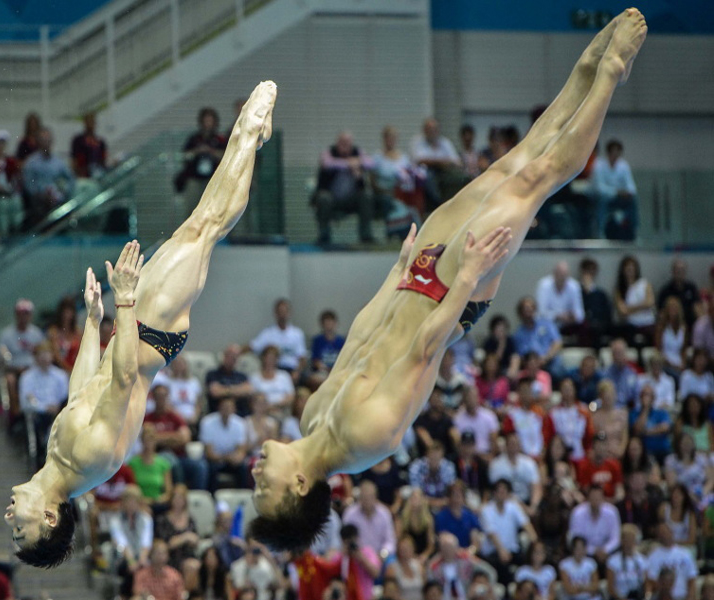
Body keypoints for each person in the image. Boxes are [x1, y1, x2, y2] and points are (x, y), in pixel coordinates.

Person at [248, 13, 647, 551]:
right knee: (536, 179)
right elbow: (423, 352)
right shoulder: (366, 441)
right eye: (264, 490)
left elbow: (362, 337)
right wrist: (469, 278)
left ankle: (585, 67)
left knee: (511, 165)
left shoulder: (312, 415)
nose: (255, 475)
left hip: (415, 282)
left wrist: (397, 272)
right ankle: (610, 74)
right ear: (299, 485)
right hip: (452, 295)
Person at [311, 131, 377, 245]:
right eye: (343, 143)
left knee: (366, 195)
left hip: (351, 200)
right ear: (338, 143)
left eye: (348, 143)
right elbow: (327, 163)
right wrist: (349, 163)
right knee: (323, 198)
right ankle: (324, 235)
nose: (345, 146)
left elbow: (371, 163)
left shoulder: (357, 152)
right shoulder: (329, 152)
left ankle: (366, 235)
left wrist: (358, 162)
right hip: (332, 198)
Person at [0, 298, 46, 420]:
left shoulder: (36, 333)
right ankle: (16, 412)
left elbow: (43, 352)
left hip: (32, 369)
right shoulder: (6, 334)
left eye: (26, 314)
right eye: (20, 314)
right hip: (13, 369)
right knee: (10, 380)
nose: (23, 317)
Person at [479, 479, 536, 585]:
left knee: (528, 559)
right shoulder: (486, 510)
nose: (502, 494)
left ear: (508, 493)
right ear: (494, 493)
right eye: (499, 491)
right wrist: (501, 550)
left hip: (512, 551)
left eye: (504, 491)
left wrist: (535, 542)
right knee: (502, 565)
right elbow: (491, 534)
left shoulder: (513, 507)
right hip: (494, 552)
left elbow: (526, 524)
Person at [176, 107, 228, 217]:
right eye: (206, 121)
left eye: (210, 121)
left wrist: (211, 151)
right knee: (192, 208)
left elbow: (226, 156)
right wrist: (197, 151)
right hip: (195, 178)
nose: (208, 124)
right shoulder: (194, 139)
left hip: (214, 179)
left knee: (214, 209)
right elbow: (185, 155)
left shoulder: (220, 139)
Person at [372, 126, 422, 239]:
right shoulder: (377, 157)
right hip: (385, 193)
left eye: (393, 138)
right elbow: (373, 181)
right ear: (384, 139)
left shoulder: (403, 157)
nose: (391, 141)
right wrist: (387, 191)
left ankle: (413, 235)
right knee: (390, 203)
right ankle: (392, 233)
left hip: (403, 192)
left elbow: (410, 176)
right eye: (388, 138)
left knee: (414, 204)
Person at [21, 127, 75, 226]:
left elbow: (71, 179)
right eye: (43, 140)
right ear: (38, 142)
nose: (46, 143)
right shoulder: (31, 162)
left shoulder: (58, 162)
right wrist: (41, 195)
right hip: (39, 200)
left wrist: (63, 193)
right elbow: (28, 185)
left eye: (48, 140)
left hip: (57, 199)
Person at [249, 299, 307, 383]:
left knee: (314, 381)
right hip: (277, 370)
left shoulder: (297, 333)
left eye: (285, 311)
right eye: (280, 311)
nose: (283, 314)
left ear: (289, 313)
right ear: (276, 313)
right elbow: (253, 346)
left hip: (293, 370)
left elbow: (303, 358)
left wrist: (297, 372)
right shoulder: (268, 333)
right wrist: (236, 350)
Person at [591, 139, 637, 239]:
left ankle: (633, 231)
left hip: (618, 198)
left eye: (618, 152)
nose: (616, 154)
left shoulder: (624, 166)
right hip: (603, 198)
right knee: (602, 200)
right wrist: (616, 192)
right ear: (608, 152)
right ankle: (600, 232)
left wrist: (627, 193)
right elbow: (599, 188)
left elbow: (631, 187)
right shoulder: (599, 165)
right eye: (614, 151)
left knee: (633, 200)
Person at [199, 397, 248, 490]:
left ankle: (242, 494)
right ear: (219, 408)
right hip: (214, 460)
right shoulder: (207, 422)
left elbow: (241, 450)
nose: (227, 410)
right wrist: (227, 457)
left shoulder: (240, 423)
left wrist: (236, 458)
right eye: (224, 407)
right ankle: (212, 495)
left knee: (243, 467)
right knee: (210, 468)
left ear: (234, 409)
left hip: (231, 460)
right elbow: (209, 453)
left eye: (230, 407)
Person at [512, 297, 564, 380]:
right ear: (521, 312)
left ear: (535, 309)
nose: (529, 311)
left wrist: (546, 358)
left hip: (549, 360)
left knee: (557, 370)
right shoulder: (518, 333)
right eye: (526, 309)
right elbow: (521, 354)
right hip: (530, 364)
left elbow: (558, 342)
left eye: (531, 307)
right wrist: (534, 362)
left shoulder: (546, 324)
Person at [567, 485, 621, 564]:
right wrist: (593, 551)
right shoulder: (578, 513)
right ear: (588, 498)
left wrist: (605, 550)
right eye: (593, 498)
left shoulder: (612, 512)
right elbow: (575, 538)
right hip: (585, 552)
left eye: (598, 498)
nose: (596, 501)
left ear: (603, 498)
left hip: (607, 552)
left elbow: (615, 538)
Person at [342, 481, 396, 559]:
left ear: (376, 497)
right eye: (364, 497)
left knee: (391, 561)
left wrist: (382, 554)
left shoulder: (384, 513)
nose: (367, 501)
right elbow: (345, 540)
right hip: (357, 555)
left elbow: (390, 541)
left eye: (370, 497)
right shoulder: (350, 514)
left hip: (381, 555)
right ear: (359, 498)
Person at [543, 378, 593, 461]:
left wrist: (588, 451)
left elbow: (589, 435)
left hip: (579, 455)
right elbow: (548, 436)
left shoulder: (584, 412)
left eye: (569, 389)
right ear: (560, 391)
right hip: (560, 457)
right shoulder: (553, 413)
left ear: (574, 390)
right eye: (564, 389)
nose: (567, 392)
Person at [489, 435, 541, 513]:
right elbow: (495, 490)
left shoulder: (529, 463)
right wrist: (517, 504)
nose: (514, 446)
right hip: (504, 503)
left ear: (520, 445)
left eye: (516, 444)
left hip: (526, 501)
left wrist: (533, 506)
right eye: (511, 443)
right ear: (506, 445)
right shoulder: (496, 465)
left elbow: (536, 487)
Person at [646, 524, 698, 600]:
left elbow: (692, 578)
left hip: (682, 596)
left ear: (671, 532)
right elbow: (651, 581)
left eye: (665, 532)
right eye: (661, 533)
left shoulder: (685, 553)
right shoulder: (653, 556)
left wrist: (690, 597)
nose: (664, 535)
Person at [127, 426, 172, 509]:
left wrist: (158, 500)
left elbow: (168, 492)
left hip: (158, 504)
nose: (149, 443)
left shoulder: (163, 464)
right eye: (146, 440)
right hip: (138, 504)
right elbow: (130, 489)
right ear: (142, 441)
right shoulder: (133, 463)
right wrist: (143, 501)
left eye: (151, 440)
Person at [614, 256, 656, 345]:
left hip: (647, 324)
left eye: (632, 267)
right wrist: (642, 305)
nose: (630, 270)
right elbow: (622, 311)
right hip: (631, 326)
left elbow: (650, 302)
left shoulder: (644, 284)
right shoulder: (620, 289)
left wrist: (629, 308)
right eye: (627, 267)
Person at [426, 533, 479, 600]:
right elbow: (430, 584)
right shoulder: (435, 567)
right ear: (440, 549)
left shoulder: (466, 562)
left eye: (450, 547)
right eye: (445, 547)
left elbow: (486, 570)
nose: (448, 550)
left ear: (456, 548)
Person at [536, 261, 585, 333]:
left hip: (568, 324)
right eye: (560, 274)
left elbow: (580, 313)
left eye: (564, 274)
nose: (562, 277)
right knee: (542, 324)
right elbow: (540, 312)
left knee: (584, 326)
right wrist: (558, 316)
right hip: (549, 323)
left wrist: (573, 317)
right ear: (554, 273)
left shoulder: (574, 286)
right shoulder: (544, 285)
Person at [206, 344, 256, 415]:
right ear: (224, 356)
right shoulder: (213, 374)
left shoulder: (242, 376)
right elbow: (215, 392)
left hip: (240, 415)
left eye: (235, 357)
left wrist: (225, 390)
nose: (233, 359)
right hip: (218, 414)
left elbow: (248, 390)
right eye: (230, 356)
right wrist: (238, 390)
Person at [629, 385, 672, 464]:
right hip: (643, 454)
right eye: (644, 395)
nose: (646, 398)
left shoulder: (661, 412)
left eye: (649, 395)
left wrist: (645, 432)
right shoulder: (634, 413)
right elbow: (637, 430)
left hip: (662, 451)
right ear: (640, 397)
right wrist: (645, 409)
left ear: (653, 398)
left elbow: (665, 428)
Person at [434, 482, 482, 552]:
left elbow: (475, 541)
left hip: (467, 553)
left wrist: (470, 551)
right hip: (449, 553)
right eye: (454, 494)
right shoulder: (442, 516)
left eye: (460, 494)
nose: (457, 497)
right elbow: (443, 540)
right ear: (449, 497)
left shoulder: (470, 515)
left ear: (464, 497)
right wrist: (458, 552)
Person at [574, 433, 624, 501]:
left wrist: (615, 499)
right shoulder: (584, 466)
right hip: (592, 502)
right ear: (593, 447)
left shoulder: (614, 465)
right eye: (598, 445)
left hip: (611, 501)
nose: (601, 448)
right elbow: (585, 490)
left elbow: (619, 488)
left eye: (604, 445)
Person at [408, 442, 457, 509]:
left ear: (442, 456)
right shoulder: (416, 467)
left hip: (443, 503)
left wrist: (441, 502)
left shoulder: (449, 468)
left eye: (437, 458)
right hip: (423, 503)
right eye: (432, 457)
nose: (434, 459)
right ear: (427, 454)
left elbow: (451, 492)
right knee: (408, 494)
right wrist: (432, 502)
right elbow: (416, 492)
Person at [606, 524, 647, 600]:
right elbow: (610, 588)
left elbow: (646, 584)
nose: (629, 542)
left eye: (631, 539)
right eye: (626, 539)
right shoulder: (613, 561)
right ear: (622, 540)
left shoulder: (642, 560)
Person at [658, 259, 701, 331]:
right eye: (677, 270)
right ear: (672, 271)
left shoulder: (691, 288)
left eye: (682, 270)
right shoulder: (665, 291)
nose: (679, 272)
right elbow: (661, 313)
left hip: (690, 325)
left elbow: (697, 307)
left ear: (685, 271)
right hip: (672, 327)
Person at [413, 388, 459, 457]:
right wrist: (436, 454)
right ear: (429, 400)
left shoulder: (446, 420)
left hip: (445, 456)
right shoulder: (421, 420)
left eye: (439, 398)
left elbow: (455, 436)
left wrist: (458, 444)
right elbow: (427, 441)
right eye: (434, 398)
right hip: (427, 456)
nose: (437, 401)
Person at [250, 346, 295, 414]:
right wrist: (266, 407)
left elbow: (291, 397)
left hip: (281, 410)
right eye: (268, 358)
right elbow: (253, 399)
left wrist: (276, 405)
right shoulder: (255, 377)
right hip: (262, 411)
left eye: (273, 358)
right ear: (263, 358)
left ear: (277, 360)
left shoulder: (284, 376)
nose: (270, 361)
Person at [579, 258, 614, 345]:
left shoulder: (601, 294)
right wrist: (587, 293)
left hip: (599, 326)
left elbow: (608, 314)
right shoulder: (576, 292)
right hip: (583, 326)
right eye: (587, 271)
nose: (590, 275)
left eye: (592, 271)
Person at [308, 310, 346, 390]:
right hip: (322, 371)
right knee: (314, 379)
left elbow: (344, 359)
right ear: (322, 324)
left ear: (335, 323)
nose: (329, 325)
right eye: (326, 322)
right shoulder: (317, 340)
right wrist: (326, 369)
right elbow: (315, 361)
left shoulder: (341, 341)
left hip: (337, 371)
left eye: (331, 322)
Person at [591, 381, 629, 458]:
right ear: (601, 398)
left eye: (610, 395)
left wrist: (621, 451)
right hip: (602, 455)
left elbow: (625, 437)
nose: (608, 399)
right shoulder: (595, 417)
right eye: (606, 397)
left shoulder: (622, 415)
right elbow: (595, 439)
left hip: (619, 453)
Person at [164, 355, 203, 426]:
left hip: (192, 419)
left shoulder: (194, 382)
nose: (179, 366)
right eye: (176, 364)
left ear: (186, 365)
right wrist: (179, 418)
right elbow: (166, 403)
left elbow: (199, 403)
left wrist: (195, 416)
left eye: (181, 363)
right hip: (174, 418)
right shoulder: (167, 382)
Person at [71, 112, 108, 179]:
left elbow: (103, 160)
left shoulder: (100, 142)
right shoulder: (78, 140)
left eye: (92, 121)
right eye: (88, 121)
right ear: (85, 123)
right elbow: (74, 160)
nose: (90, 124)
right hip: (84, 175)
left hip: (98, 172)